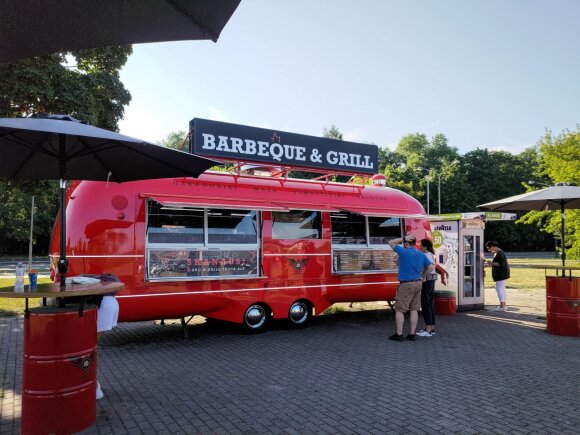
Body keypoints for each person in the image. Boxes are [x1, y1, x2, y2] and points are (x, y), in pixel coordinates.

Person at [388, 233, 434, 341]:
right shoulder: (420, 254)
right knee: (414, 309)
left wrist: (403, 238)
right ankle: (412, 334)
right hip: (418, 283)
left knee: (399, 310)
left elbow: (390, 242)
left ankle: (399, 334)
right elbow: (431, 267)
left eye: (405, 241)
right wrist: (422, 277)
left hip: (406, 284)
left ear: (407, 242)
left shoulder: (404, 252)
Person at [95, 295, 119, 399]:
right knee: (90, 347)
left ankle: (94, 388)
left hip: (106, 306)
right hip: (110, 304)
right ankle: (95, 387)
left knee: (89, 347)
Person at [417, 239, 438, 337]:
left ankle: (428, 330)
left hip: (427, 280)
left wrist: (422, 277)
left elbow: (430, 268)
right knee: (430, 303)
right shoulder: (431, 254)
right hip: (432, 279)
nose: (419, 247)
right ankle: (431, 328)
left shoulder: (426, 255)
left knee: (426, 304)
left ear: (425, 247)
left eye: (421, 245)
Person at [485, 240, 510, 311]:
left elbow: (501, 264)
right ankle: (503, 305)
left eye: (489, 248)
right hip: (502, 273)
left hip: (501, 274)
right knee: (501, 289)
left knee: (499, 289)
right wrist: (489, 264)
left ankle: (503, 306)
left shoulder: (500, 253)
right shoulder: (498, 252)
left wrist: (491, 263)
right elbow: (497, 263)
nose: (489, 250)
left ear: (492, 246)